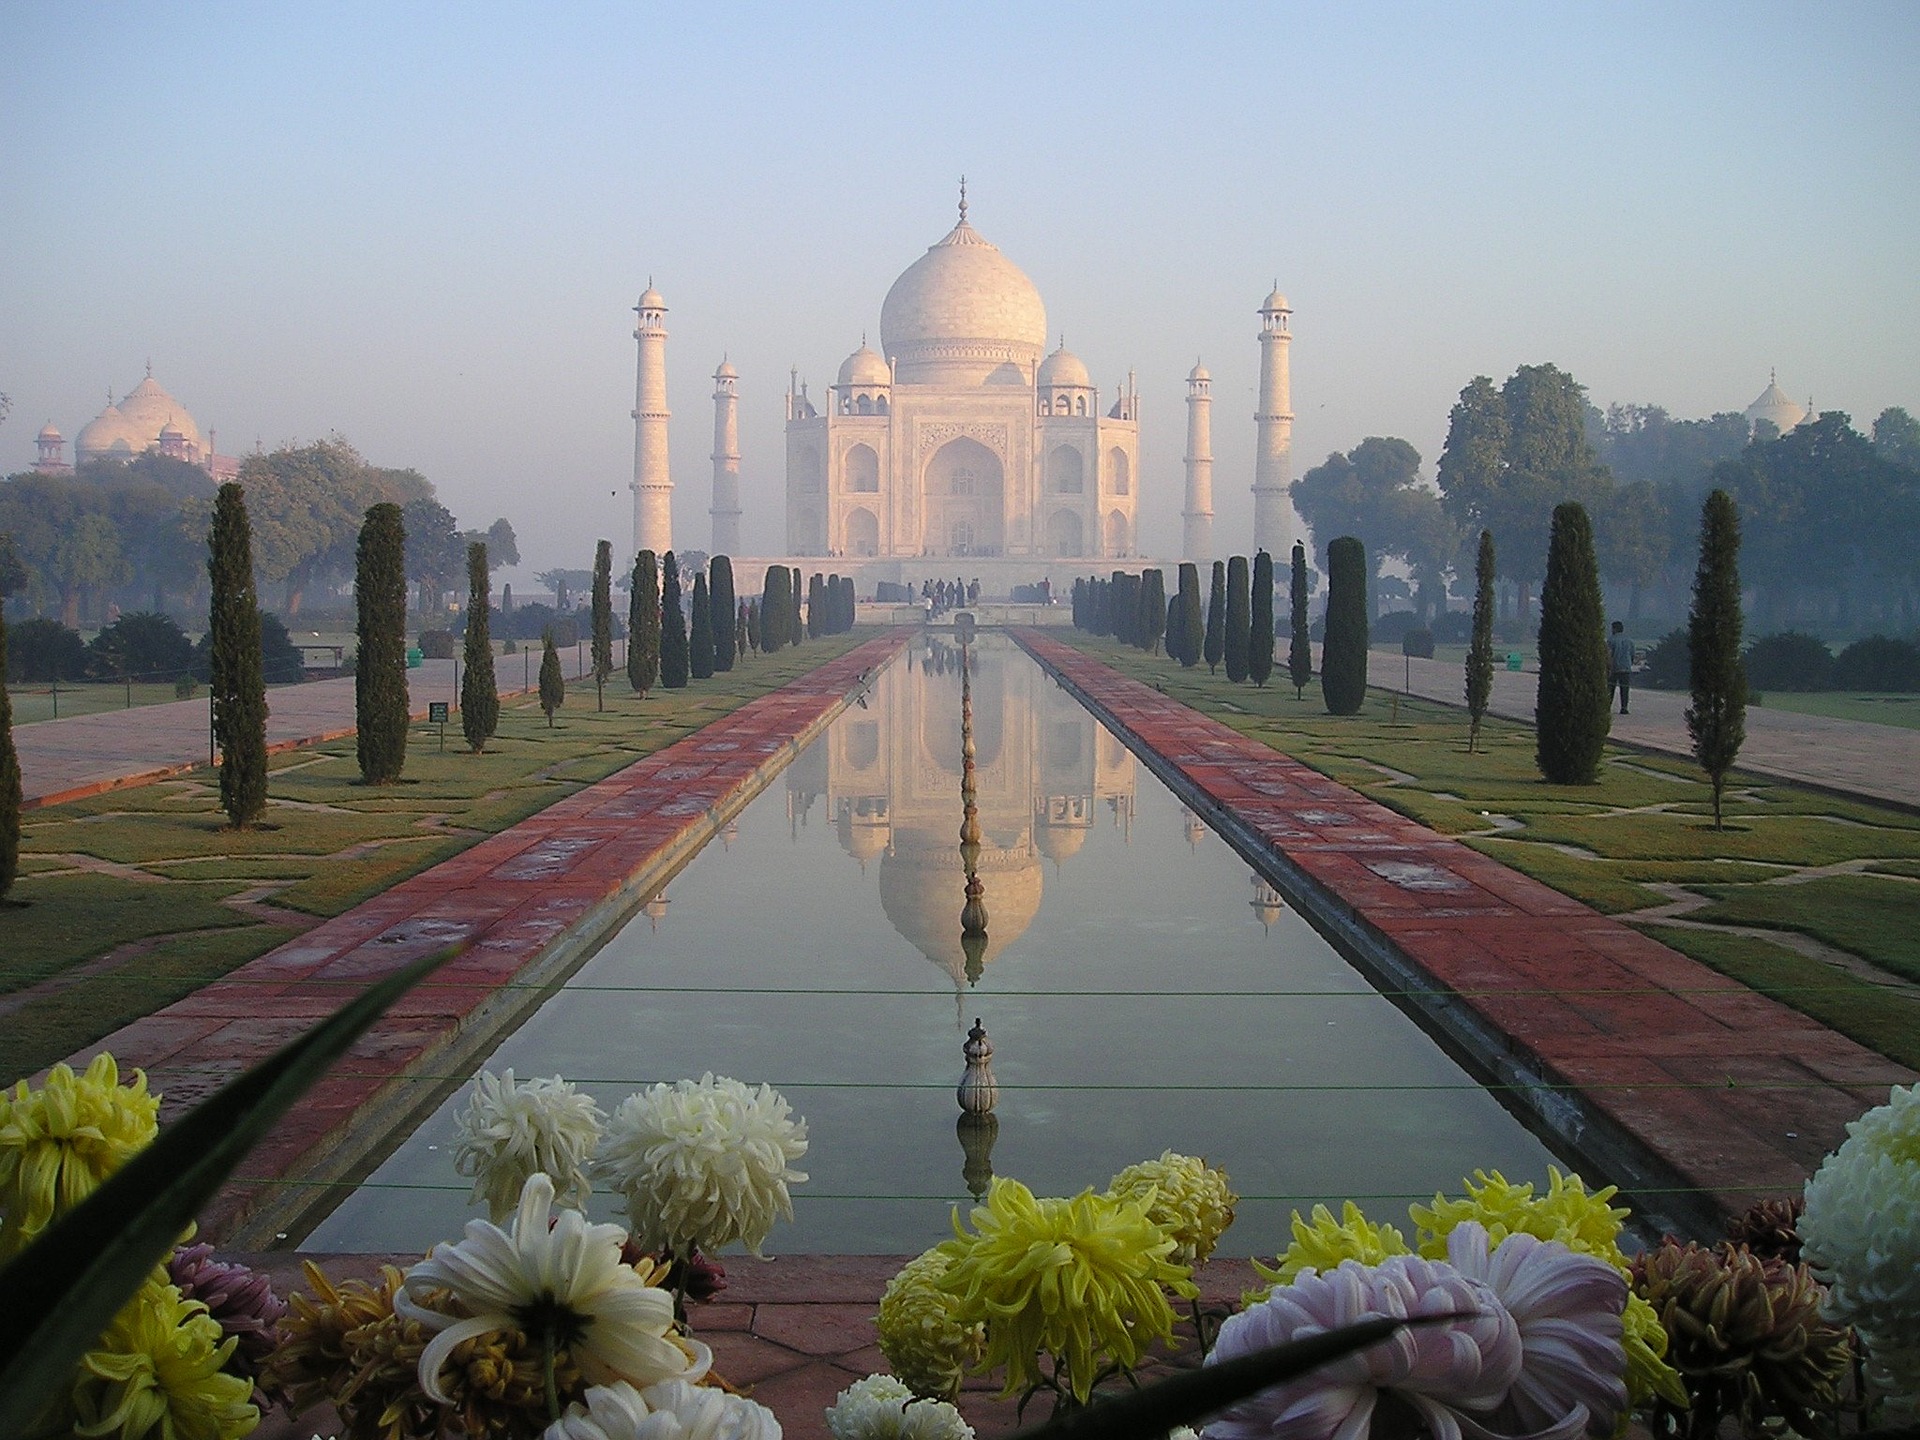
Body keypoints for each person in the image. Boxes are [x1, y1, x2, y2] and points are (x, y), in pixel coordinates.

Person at [1607, 621, 1635, 715]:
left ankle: (1607, 706)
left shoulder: (1611, 640)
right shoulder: (1629, 640)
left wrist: (1608, 667)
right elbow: (1632, 654)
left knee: (1610, 687)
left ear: (1615, 629)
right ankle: (1624, 707)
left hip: (1614, 667)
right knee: (1625, 688)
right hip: (1626, 667)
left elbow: (1609, 654)